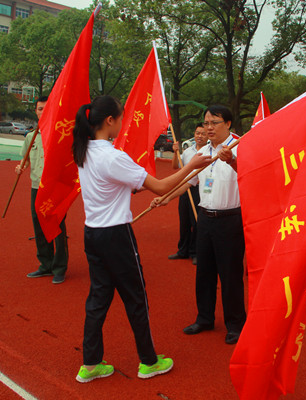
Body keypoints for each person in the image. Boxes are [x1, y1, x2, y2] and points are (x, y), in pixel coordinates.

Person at [72, 96, 211, 383]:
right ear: (109, 120)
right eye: (120, 118)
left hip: (93, 233)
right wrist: (192, 165)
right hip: (116, 236)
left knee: (98, 298)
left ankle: (91, 363)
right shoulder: (112, 156)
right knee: (136, 298)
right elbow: (159, 186)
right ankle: (148, 361)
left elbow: (122, 186)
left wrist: (137, 182)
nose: (122, 124)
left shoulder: (85, 150)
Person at [153, 105, 246, 345]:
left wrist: (232, 161)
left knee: (230, 275)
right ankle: (204, 318)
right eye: (206, 123)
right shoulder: (202, 152)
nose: (209, 128)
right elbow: (188, 181)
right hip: (204, 219)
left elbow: (250, 175)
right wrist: (166, 197)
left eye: (214, 122)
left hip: (230, 220)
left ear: (228, 123)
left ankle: (236, 324)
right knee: (204, 272)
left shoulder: (241, 146)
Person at [15, 96, 68, 284]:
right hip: (36, 187)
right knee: (38, 225)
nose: (43, 112)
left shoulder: (59, 134)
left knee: (57, 226)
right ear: (35, 111)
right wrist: (20, 167)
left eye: (46, 108)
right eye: (40, 109)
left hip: (55, 189)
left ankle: (59, 267)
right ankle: (45, 264)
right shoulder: (31, 137)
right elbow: (25, 160)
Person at [167, 123, 208, 265]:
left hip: (199, 190)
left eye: (203, 134)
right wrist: (175, 153)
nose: (200, 136)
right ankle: (182, 250)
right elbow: (175, 166)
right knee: (184, 221)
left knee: (196, 221)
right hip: (184, 189)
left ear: (207, 136)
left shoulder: (209, 152)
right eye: (197, 133)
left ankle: (195, 252)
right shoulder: (188, 151)